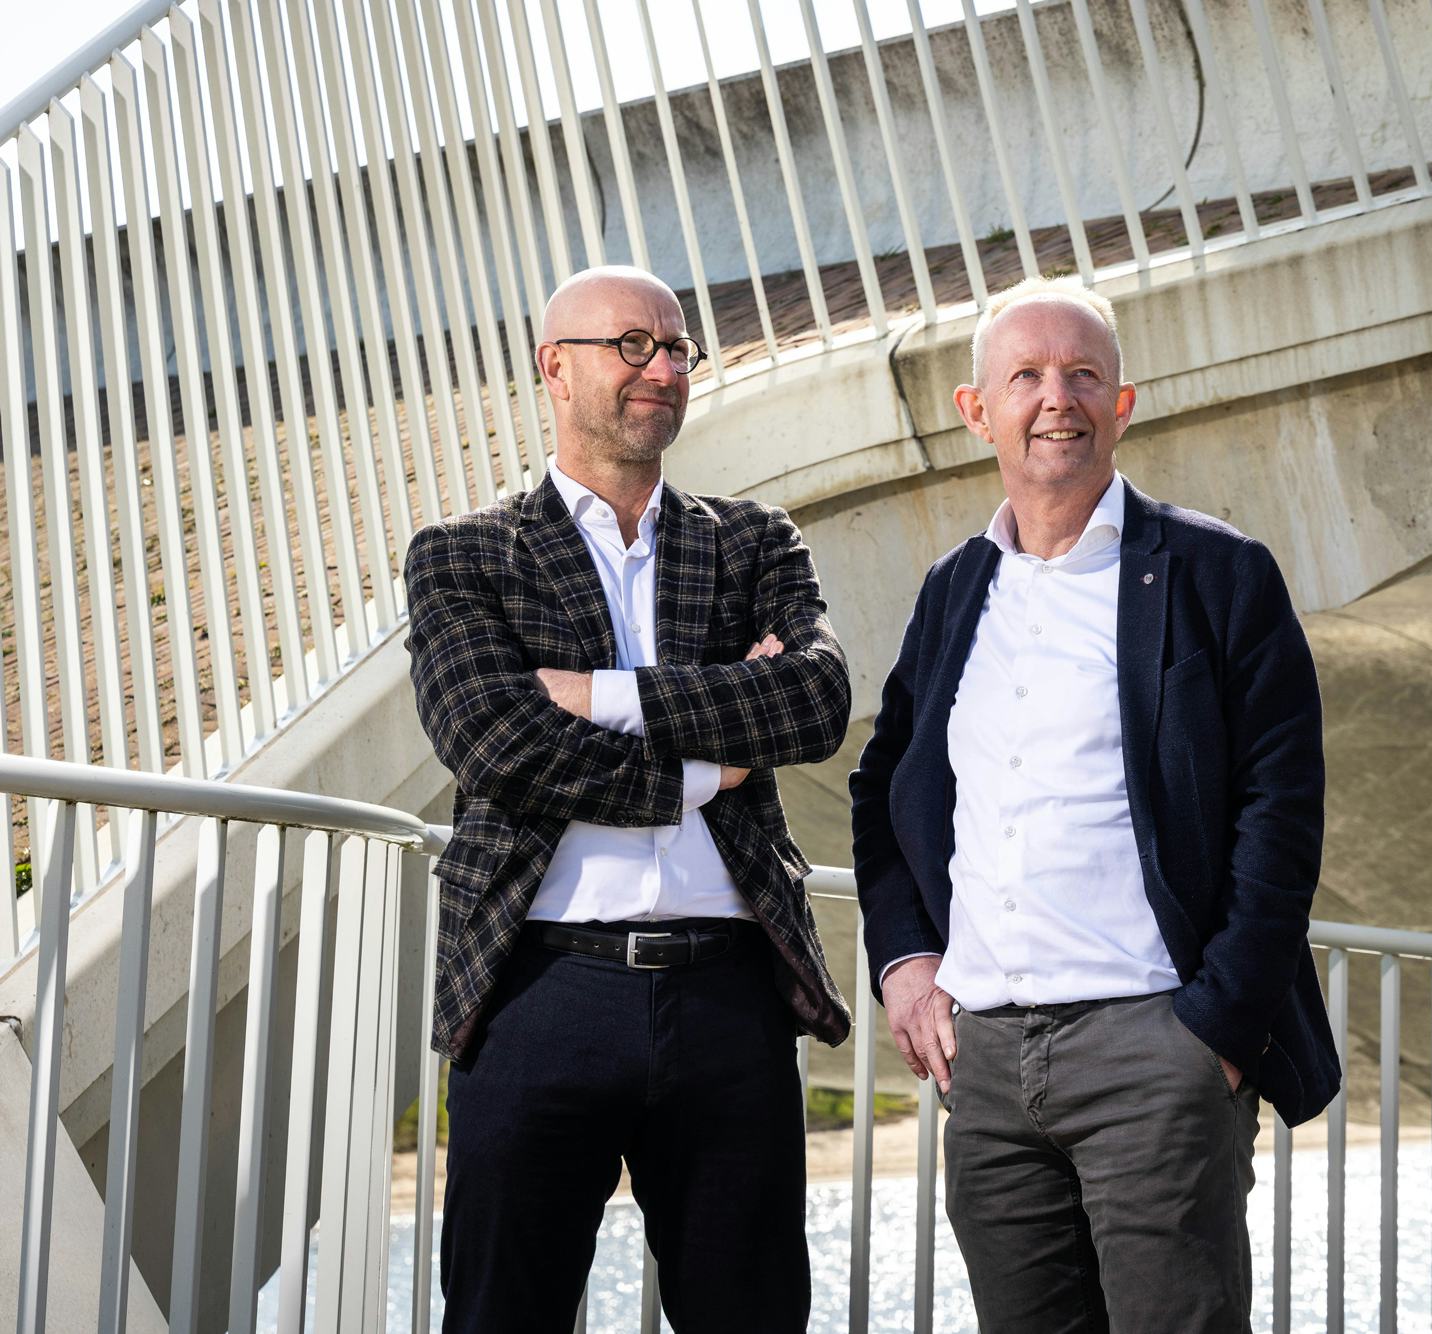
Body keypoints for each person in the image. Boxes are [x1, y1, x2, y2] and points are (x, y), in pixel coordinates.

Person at [850, 277, 1340, 1331]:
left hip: (1154, 1050)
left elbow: (1280, 805)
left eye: (1081, 374)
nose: (1054, 398)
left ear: (1122, 403)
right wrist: (903, 961)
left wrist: (1212, 1027)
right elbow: (884, 787)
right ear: (975, 410)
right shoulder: (952, 590)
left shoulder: (1215, 572)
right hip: (982, 1070)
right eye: (1023, 375)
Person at [405, 265, 851, 1333]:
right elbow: (496, 740)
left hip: (728, 995)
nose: (663, 366)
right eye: (632, 345)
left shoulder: (752, 540)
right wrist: (709, 765)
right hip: (539, 990)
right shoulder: (464, 554)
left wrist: (601, 694)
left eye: (677, 346)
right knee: (500, 1311)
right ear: (554, 367)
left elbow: (815, 698)